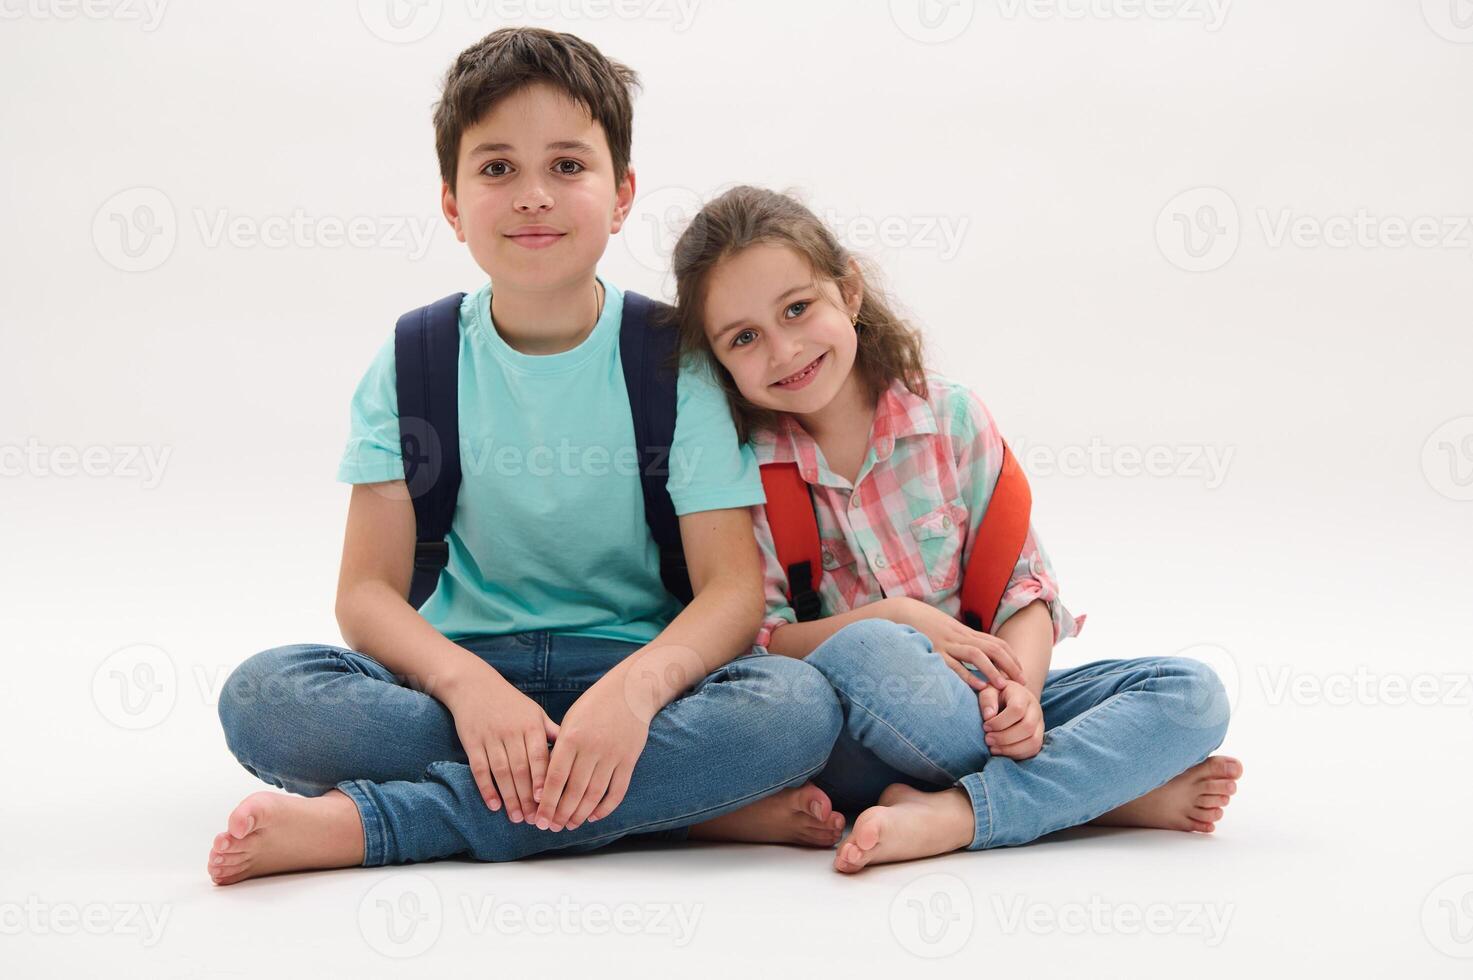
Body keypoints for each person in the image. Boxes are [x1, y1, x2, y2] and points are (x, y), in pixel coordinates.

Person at [205, 30, 846, 886]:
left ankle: (382, 825)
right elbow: (365, 593)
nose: (534, 196)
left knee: (794, 709)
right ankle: (686, 809)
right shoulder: (415, 359)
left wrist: (632, 695)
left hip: (639, 677)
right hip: (459, 676)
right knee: (262, 698)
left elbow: (731, 593)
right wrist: (469, 691)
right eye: (498, 168)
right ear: (451, 201)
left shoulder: (670, 359)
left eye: (568, 167)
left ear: (620, 195)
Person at [665, 185, 1245, 873]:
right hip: (860, 733)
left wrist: (1019, 697)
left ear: (848, 291)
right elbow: (762, 639)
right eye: (745, 338)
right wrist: (898, 616)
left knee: (1190, 694)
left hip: (990, 702)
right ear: (717, 361)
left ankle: (957, 813)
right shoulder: (743, 471)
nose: (785, 349)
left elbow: (1022, 592)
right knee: (869, 650)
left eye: (798, 308)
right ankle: (1101, 794)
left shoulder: (951, 419)